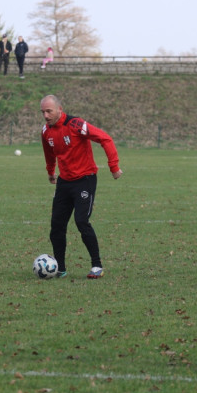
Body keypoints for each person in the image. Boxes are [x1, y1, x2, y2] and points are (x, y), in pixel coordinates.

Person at [40, 94, 122, 279]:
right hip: (64, 182)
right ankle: (60, 268)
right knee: (56, 226)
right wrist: (50, 171)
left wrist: (114, 166)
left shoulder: (76, 125)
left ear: (59, 109)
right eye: (43, 112)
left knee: (81, 221)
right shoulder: (46, 131)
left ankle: (96, 265)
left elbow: (105, 139)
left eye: (49, 111)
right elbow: (48, 152)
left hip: (85, 179)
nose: (45, 115)